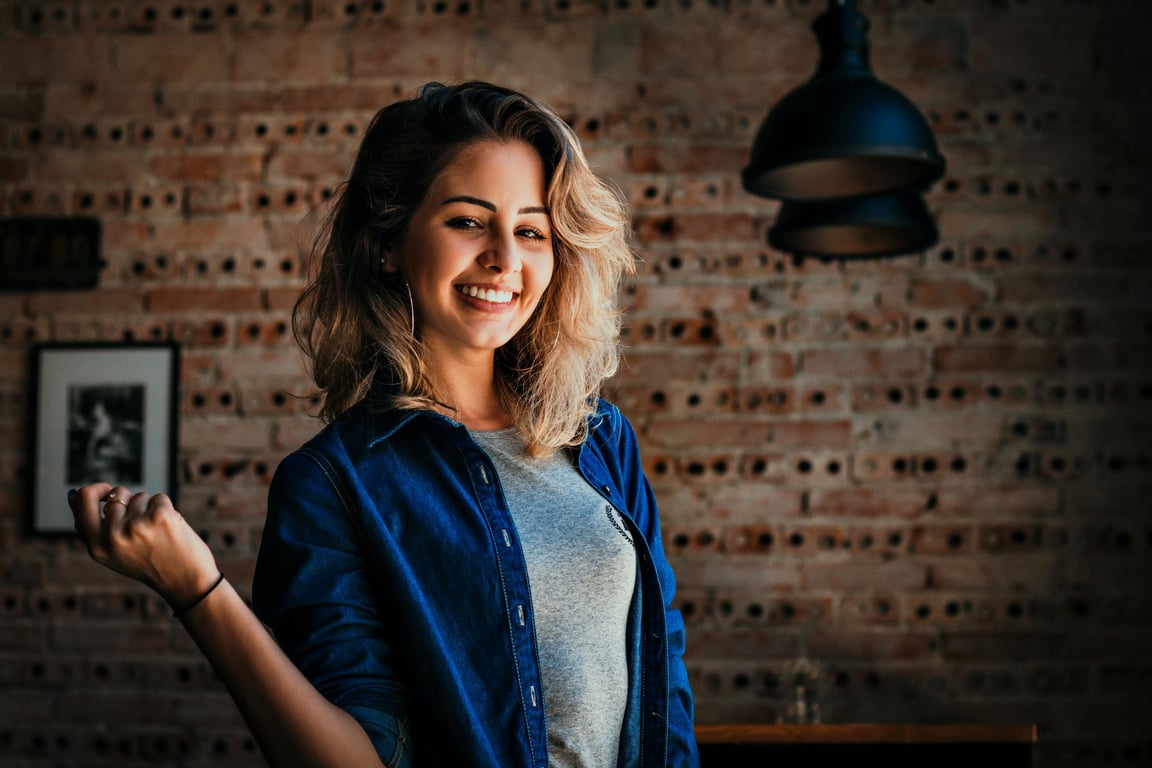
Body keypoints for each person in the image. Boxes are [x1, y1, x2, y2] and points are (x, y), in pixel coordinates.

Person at [68, 80, 699, 768]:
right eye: (467, 221)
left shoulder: (602, 440)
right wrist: (198, 591)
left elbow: (666, 685)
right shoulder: (333, 486)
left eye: (530, 230)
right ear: (388, 243)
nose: (504, 258)